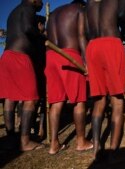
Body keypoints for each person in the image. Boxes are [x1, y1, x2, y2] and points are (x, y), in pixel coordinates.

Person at [85, 0, 125, 158]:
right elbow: (121, 15)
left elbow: (86, 28)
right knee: (117, 100)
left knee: (98, 100)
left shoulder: (90, 2)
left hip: (92, 46)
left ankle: (96, 148)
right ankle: (112, 152)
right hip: (111, 43)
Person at [45, 0, 93, 155]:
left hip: (51, 56)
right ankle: (81, 141)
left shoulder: (53, 15)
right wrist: (86, 62)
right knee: (78, 100)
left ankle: (53, 144)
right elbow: (80, 36)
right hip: (69, 55)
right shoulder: (79, 10)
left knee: (56, 101)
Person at [0, 0, 44, 151]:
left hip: (6, 56)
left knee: (10, 97)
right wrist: (39, 34)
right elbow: (27, 28)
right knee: (31, 98)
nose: (41, 3)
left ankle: (10, 137)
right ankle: (25, 142)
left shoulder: (13, 12)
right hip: (20, 56)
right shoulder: (28, 8)